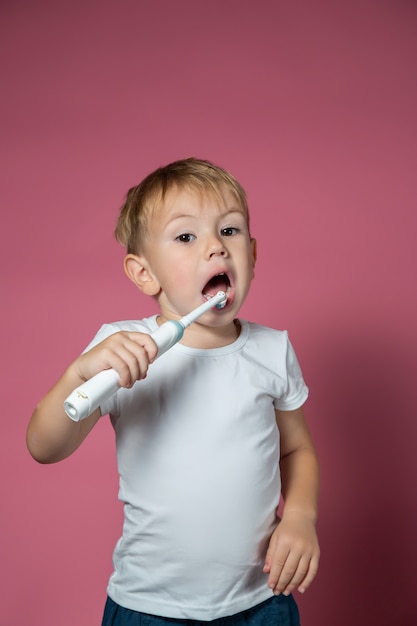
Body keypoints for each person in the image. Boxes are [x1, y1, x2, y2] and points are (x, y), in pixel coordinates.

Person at [27, 158, 320, 626]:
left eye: (230, 231)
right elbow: (43, 447)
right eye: (186, 237)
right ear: (145, 274)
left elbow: (298, 449)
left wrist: (301, 516)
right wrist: (78, 374)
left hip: (260, 602)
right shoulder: (118, 348)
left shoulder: (272, 350)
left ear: (253, 253)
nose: (215, 250)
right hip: (148, 606)